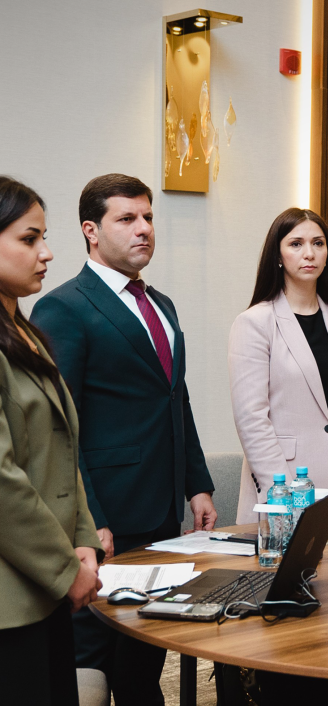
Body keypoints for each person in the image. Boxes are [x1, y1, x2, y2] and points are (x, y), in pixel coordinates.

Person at [32, 174, 215, 706]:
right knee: (92, 661)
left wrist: (198, 484)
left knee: (144, 657)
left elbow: (175, 399)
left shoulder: (162, 304)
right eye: (127, 219)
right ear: (91, 230)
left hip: (162, 514)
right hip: (106, 518)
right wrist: (89, 519)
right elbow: (62, 427)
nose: (144, 229)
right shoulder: (64, 307)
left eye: (148, 217)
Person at [0, 177, 102, 706]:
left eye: (44, 237)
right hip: (11, 601)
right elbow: (3, 482)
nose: (47, 253)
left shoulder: (24, 332)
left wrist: (82, 542)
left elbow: (62, 452)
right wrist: (65, 568)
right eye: (29, 239)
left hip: (47, 587)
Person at [229, 208, 328, 523]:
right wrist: (283, 492)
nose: (309, 253)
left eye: (318, 243)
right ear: (278, 255)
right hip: (280, 490)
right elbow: (252, 419)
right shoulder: (255, 322)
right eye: (296, 244)